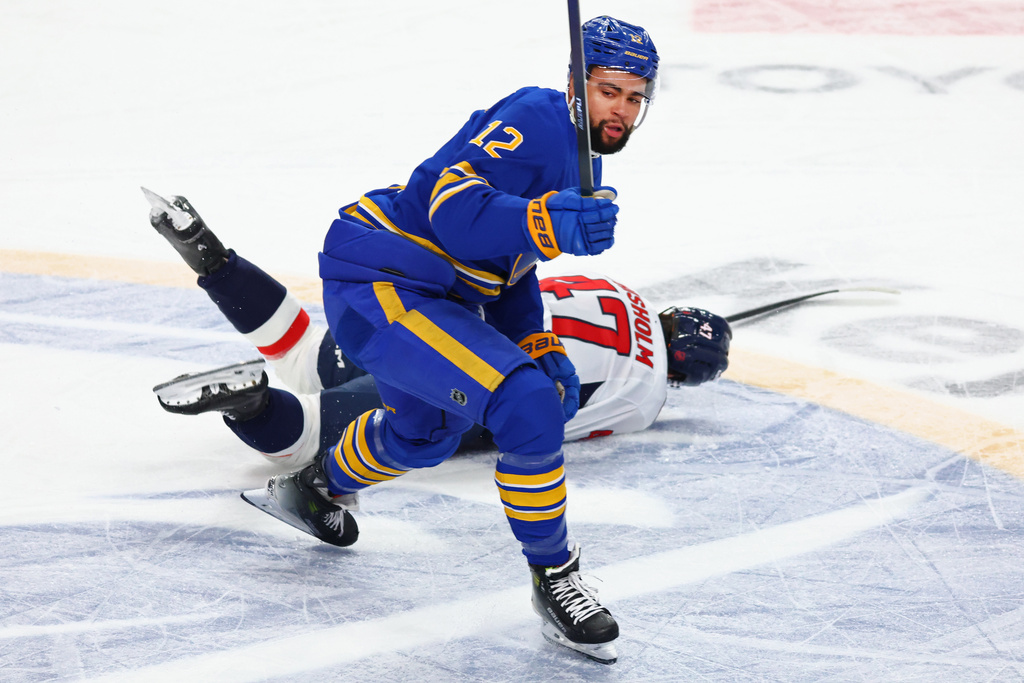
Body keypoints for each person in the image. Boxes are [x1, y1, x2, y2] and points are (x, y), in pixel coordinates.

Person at [146, 17, 686, 665]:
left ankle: (314, 486)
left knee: (427, 434)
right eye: (608, 91)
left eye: (634, 97)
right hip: (383, 274)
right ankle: (556, 577)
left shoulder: (581, 157)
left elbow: (510, 264)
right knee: (526, 403)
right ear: (575, 83)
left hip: (423, 291)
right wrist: (543, 219)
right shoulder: (537, 118)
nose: (621, 110)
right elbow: (451, 207)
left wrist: (536, 338)